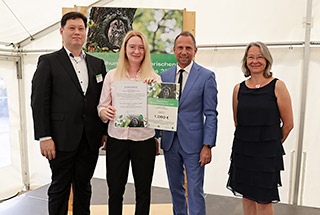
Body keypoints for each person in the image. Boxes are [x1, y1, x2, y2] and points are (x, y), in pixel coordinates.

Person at [31, 12, 107, 215]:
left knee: (84, 188)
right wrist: (44, 136)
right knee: (60, 188)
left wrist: (104, 132)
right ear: (62, 32)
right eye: (72, 28)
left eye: (81, 28)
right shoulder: (48, 61)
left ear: (86, 33)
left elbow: (103, 100)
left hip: (90, 139)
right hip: (60, 139)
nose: (76, 32)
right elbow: (39, 102)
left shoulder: (97, 64)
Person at [97, 30, 161, 215]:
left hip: (144, 141)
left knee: (143, 191)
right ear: (125, 49)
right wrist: (104, 112)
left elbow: (159, 114)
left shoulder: (154, 78)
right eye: (132, 47)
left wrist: (153, 92)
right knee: (115, 191)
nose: (136, 51)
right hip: (117, 141)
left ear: (145, 51)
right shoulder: (111, 76)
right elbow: (101, 106)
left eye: (141, 47)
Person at [227, 41, 294, 215]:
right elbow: (238, 122)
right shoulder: (238, 89)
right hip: (243, 152)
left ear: (267, 60)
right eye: (251, 57)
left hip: (267, 155)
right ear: (245, 61)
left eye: (259, 56)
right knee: (247, 196)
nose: (255, 61)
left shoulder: (278, 86)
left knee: (264, 200)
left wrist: (270, 144)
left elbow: (288, 124)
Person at [160, 31, 218, 215]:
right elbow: (159, 109)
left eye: (188, 48)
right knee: (175, 189)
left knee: (194, 190)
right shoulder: (164, 75)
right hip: (170, 142)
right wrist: (156, 137)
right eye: (180, 48)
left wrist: (207, 145)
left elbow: (211, 114)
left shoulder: (206, 76)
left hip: (195, 144)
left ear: (195, 51)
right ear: (174, 50)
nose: (184, 52)